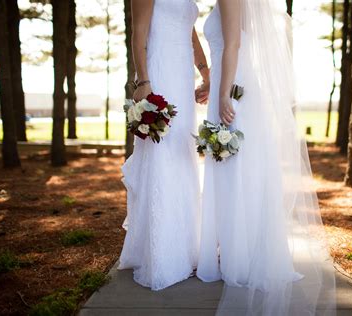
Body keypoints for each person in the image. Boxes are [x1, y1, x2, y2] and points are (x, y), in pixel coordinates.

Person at [197, 0, 337, 314]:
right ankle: (239, 251)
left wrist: (223, 93)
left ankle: (241, 259)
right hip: (233, 83)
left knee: (236, 170)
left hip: (234, 91)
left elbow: (233, 44)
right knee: (239, 170)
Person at [118, 0, 209, 291]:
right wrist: (143, 80)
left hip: (182, 76)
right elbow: (138, 31)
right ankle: (160, 253)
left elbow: (190, 33)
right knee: (160, 155)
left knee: (182, 155)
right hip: (158, 72)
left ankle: (186, 247)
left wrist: (206, 73)